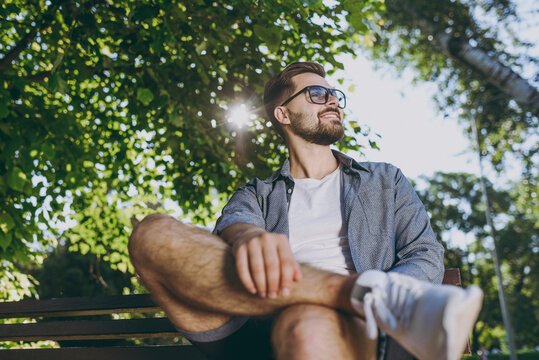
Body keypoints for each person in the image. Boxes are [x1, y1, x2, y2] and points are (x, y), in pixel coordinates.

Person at [128, 62, 483, 360]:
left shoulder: (384, 179)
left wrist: (392, 287)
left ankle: (370, 298)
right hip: (257, 324)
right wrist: (250, 237)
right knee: (151, 232)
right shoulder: (258, 193)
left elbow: (425, 253)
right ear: (283, 113)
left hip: (367, 334)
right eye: (317, 94)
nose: (333, 101)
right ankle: (365, 295)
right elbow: (235, 225)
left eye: (334, 95)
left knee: (307, 325)